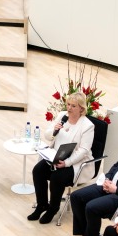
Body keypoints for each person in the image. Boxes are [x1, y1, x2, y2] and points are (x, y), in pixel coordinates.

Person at [28, 92, 95, 224]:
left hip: (75, 163)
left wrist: (67, 163)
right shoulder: (61, 116)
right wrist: (54, 130)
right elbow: (48, 136)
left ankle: (53, 208)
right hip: (56, 156)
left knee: (57, 177)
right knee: (38, 170)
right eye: (68, 104)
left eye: (73, 106)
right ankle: (42, 204)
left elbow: (83, 151)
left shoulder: (87, 126)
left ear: (81, 108)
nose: (69, 108)